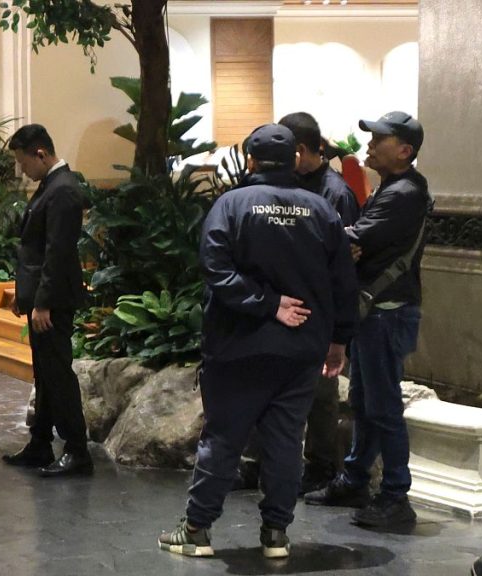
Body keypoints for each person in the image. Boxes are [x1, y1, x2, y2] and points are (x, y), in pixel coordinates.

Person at [158, 124, 357, 559]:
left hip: (238, 346)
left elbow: (215, 268)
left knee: (224, 438)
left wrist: (267, 304)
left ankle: (197, 531)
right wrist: (339, 339)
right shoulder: (321, 210)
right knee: (286, 441)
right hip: (301, 349)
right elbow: (344, 280)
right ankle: (276, 535)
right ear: (294, 159)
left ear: (250, 160)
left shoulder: (230, 205)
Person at [305, 112, 431, 528]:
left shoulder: (404, 193)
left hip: (387, 313)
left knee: (383, 406)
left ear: (404, 150)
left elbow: (352, 239)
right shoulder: (392, 187)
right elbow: (353, 241)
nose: (370, 145)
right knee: (365, 401)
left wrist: (341, 240)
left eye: (379, 139)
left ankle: (395, 496)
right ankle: (356, 480)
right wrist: (348, 242)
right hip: (376, 312)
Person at [2, 124, 91, 478]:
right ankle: (40, 442)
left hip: (53, 302)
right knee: (45, 373)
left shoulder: (63, 190)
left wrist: (42, 303)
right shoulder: (51, 186)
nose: (22, 170)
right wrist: (25, 296)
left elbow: (57, 253)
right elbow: (36, 250)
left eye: (24, 162)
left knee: (58, 374)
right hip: (42, 297)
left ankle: (77, 449)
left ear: (40, 154)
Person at [279, 112, 361, 495]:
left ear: (300, 149)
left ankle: (322, 466)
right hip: (287, 305)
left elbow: (344, 264)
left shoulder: (335, 193)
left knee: (322, 392)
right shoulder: (287, 185)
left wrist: (337, 327)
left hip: (320, 309)